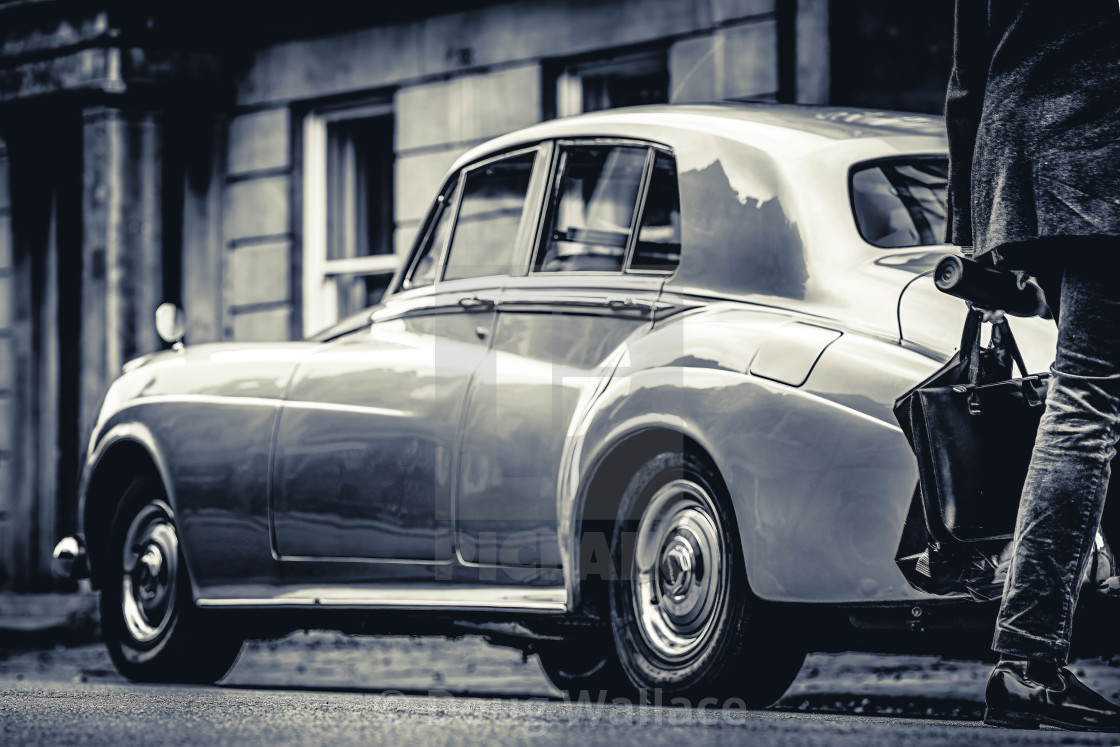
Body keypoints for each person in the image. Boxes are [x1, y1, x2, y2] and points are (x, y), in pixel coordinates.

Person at [945, 0, 1120, 732]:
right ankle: (1026, 661)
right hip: (1098, 146)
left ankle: (1028, 658)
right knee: (1086, 401)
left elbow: (965, 72)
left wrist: (969, 228)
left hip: (1021, 147)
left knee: (1084, 399)